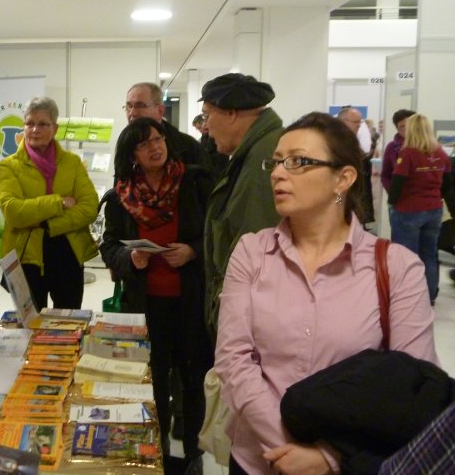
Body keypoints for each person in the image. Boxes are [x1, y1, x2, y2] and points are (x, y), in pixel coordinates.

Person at [215, 111, 437, 475]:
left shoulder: (397, 268)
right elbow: (233, 359)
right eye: (276, 162)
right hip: (258, 459)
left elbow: (415, 387)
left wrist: (331, 458)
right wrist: (287, 446)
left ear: (343, 179)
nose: (277, 173)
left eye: (297, 161)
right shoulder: (252, 252)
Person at [100, 117, 213, 474]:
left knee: (193, 379)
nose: (155, 147)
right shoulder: (121, 196)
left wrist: (193, 251)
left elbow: (217, 235)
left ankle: (193, 452)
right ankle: (157, 449)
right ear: (131, 154)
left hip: (190, 301)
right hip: (146, 304)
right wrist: (130, 259)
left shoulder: (194, 182)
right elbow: (109, 246)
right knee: (153, 381)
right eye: (145, 143)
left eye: (158, 139)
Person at [199, 72, 283, 341]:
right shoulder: (254, 153)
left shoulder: (263, 159)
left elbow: (258, 249)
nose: (205, 127)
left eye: (207, 115)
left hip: (252, 320)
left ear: (231, 113)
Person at [0, 96, 99, 310]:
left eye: (43, 124)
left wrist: (48, 224)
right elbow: (13, 211)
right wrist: (58, 202)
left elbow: (89, 207)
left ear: (55, 128)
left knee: (68, 321)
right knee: (31, 323)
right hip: (26, 257)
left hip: (68, 253)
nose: (35, 130)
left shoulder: (72, 163)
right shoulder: (9, 166)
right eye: (29, 123)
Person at [388, 113, 455, 304]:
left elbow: (397, 184)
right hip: (434, 210)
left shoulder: (408, 153)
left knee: (407, 257)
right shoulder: (441, 154)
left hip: (408, 210)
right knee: (429, 255)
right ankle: (429, 296)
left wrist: (393, 203)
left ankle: (408, 299)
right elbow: (447, 185)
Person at [125, 82, 209, 169]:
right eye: (129, 106)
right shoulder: (125, 145)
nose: (132, 113)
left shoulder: (188, 148)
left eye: (140, 106)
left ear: (160, 111)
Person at [337, 106, 375, 224]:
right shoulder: (334, 144)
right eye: (355, 122)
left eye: (360, 122)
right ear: (342, 122)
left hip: (356, 197)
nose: (358, 125)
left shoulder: (353, 142)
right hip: (340, 195)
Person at [380, 109, 416, 191]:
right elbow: (385, 175)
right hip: (399, 195)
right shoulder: (392, 147)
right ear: (397, 129)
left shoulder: (426, 146)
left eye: (409, 125)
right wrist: (393, 192)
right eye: (402, 126)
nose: (406, 129)